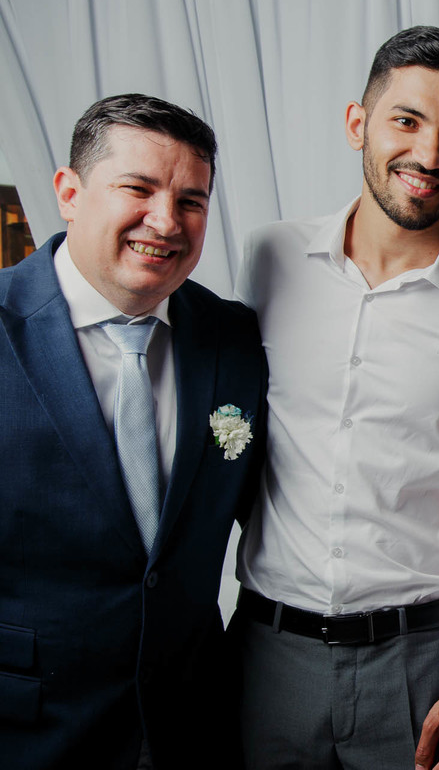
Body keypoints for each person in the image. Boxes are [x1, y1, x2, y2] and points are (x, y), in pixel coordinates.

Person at [232, 25, 439, 770]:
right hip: (264, 657)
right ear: (358, 124)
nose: (429, 155)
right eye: (406, 121)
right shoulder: (270, 257)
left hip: (420, 663)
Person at [0, 93, 268, 768]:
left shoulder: (234, 337)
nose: (166, 221)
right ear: (69, 192)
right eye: (139, 189)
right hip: (28, 726)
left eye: (191, 200)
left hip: (195, 727)